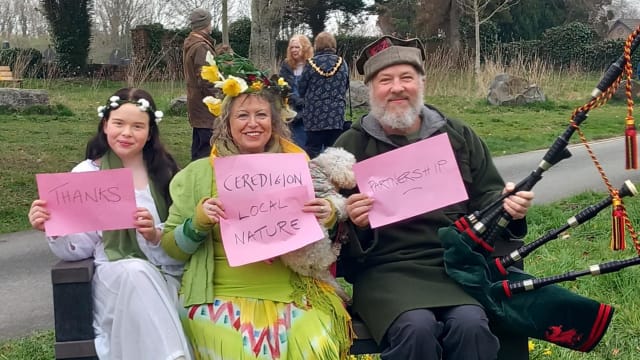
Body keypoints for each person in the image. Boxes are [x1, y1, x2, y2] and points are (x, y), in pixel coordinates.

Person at [333, 35, 535, 360]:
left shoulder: (458, 136)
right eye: (385, 80)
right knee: (416, 327)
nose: (397, 88)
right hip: (385, 271)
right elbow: (328, 225)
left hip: (454, 266)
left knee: (471, 324)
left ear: (421, 83)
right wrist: (351, 220)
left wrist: (509, 208)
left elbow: (489, 199)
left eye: (406, 78)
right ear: (371, 89)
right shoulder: (349, 147)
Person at [161, 55, 353, 359]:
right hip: (219, 293)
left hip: (293, 290)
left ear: (274, 121)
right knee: (241, 348)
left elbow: (331, 215)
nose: (253, 124)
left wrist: (328, 214)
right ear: (226, 123)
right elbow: (171, 248)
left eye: (262, 115)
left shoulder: (297, 166)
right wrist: (198, 222)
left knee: (311, 344)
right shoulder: (198, 175)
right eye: (242, 116)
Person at [27, 88, 192, 359]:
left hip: (166, 273)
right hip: (114, 276)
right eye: (118, 123)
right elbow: (78, 250)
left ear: (150, 132)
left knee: (165, 287)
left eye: (137, 126)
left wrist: (154, 234)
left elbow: (182, 239)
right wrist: (54, 229)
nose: (126, 133)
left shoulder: (167, 174)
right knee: (135, 272)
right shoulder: (85, 175)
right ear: (105, 125)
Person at [298, 31, 349, 158]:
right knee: (334, 152)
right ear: (333, 45)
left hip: (314, 116)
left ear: (316, 46)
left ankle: (312, 176)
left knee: (312, 151)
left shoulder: (310, 64)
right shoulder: (342, 63)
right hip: (336, 115)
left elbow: (301, 89)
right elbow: (345, 86)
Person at [183, 8, 218, 161]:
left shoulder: (192, 43)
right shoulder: (201, 47)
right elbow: (206, 78)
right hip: (205, 105)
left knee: (198, 145)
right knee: (205, 149)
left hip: (195, 101)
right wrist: (218, 100)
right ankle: (200, 180)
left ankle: (193, 177)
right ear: (206, 24)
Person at [279, 34, 313, 149]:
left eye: (297, 47)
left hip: (309, 110)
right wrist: (295, 100)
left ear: (304, 48)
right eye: (292, 47)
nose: (294, 50)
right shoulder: (286, 65)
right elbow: (283, 86)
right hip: (292, 110)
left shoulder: (312, 65)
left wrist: (305, 103)